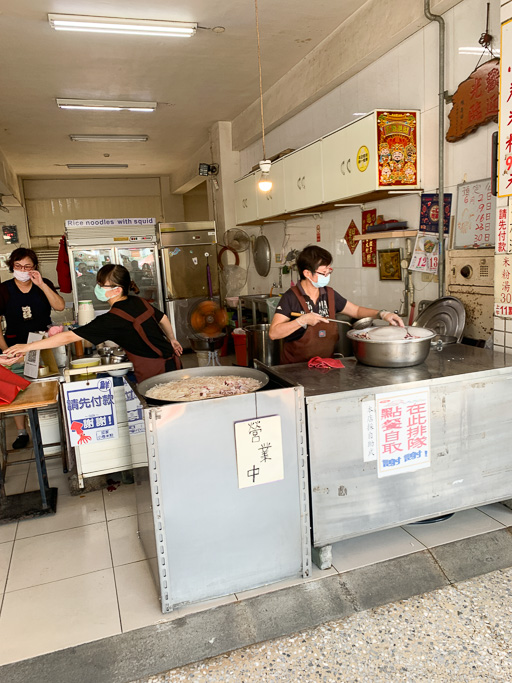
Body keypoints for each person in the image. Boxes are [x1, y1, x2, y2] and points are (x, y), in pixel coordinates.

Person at [6, 264, 183, 383]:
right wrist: (172, 340)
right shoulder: (138, 301)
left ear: (117, 290)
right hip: (174, 363)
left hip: (156, 372)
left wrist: (27, 347)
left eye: (102, 285)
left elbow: (67, 337)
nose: (97, 288)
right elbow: (163, 319)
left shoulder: (113, 319)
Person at [269, 245, 404, 364]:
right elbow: (274, 333)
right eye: (323, 272)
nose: (327, 274)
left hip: (325, 367)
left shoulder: (329, 294)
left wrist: (382, 314)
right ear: (306, 273)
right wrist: (301, 320)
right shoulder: (291, 297)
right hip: (295, 369)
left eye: (329, 270)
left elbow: (356, 311)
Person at [0, 247, 65, 448]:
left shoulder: (43, 284)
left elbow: (60, 306)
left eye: (27, 266)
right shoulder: (3, 289)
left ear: (34, 267)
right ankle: (22, 432)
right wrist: (4, 351)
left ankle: (53, 428)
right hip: (15, 345)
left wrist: (42, 285)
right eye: (18, 266)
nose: (22, 269)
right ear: (12, 266)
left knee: (47, 383)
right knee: (18, 389)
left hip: (44, 343)